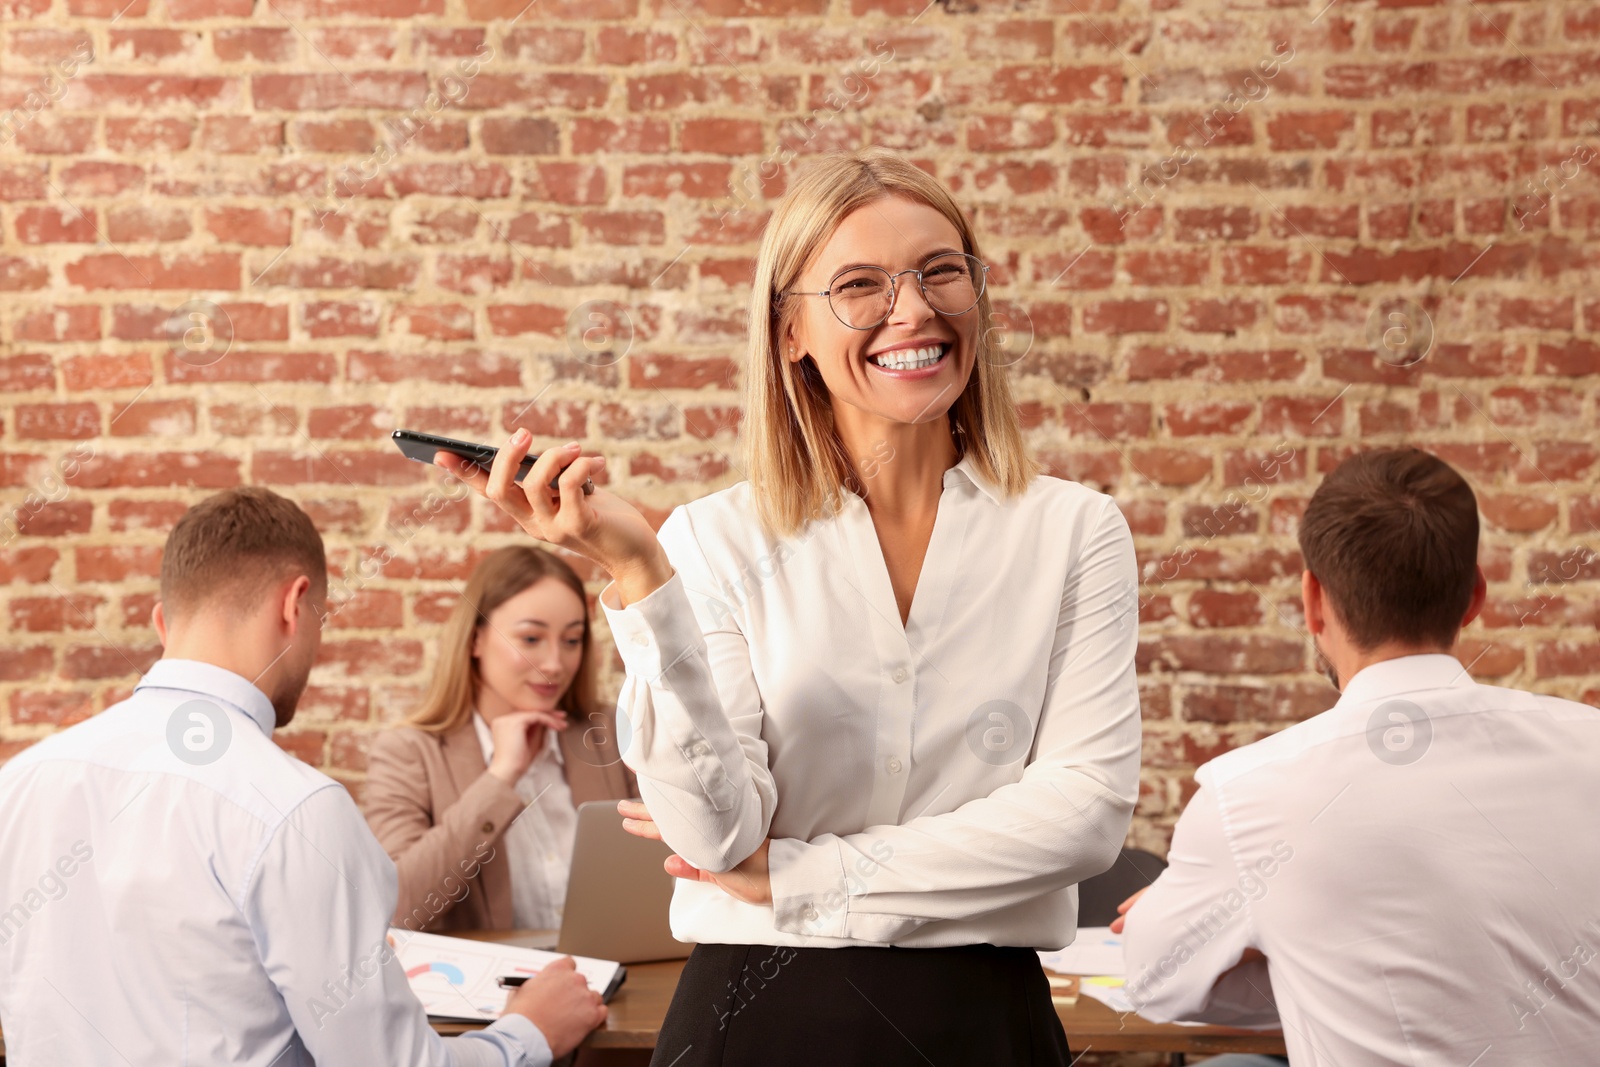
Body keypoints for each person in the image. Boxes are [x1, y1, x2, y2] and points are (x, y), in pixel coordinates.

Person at [438, 148, 1142, 1066]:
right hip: (758, 1019)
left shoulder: (1075, 532)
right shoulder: (710, 539)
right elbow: (715, 832)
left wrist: (804, 872)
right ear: (789, 336)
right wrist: (642, 575)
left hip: (988, 1024)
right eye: (860, 286)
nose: (915, 310)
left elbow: (1083, 816)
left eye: (941, 272)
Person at [0, 487, 606, 1066]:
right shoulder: (295, 809)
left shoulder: (21, 782)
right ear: (294, 605)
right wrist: (527, 1034)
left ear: (164, 623)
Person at [1116, 448, 1600, 1064]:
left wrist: (1285, 944)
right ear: (1474, 596)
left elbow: (1154, 983)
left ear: (1313, 601)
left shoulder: (1249, 797)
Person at [365, 545, 633, 934]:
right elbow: (398, 909)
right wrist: (500, 777)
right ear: (475, 640)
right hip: (484, 989)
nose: (556, 663)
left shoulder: (606, 733)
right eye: (530, 639)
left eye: (572, 640)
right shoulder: (408, 753)